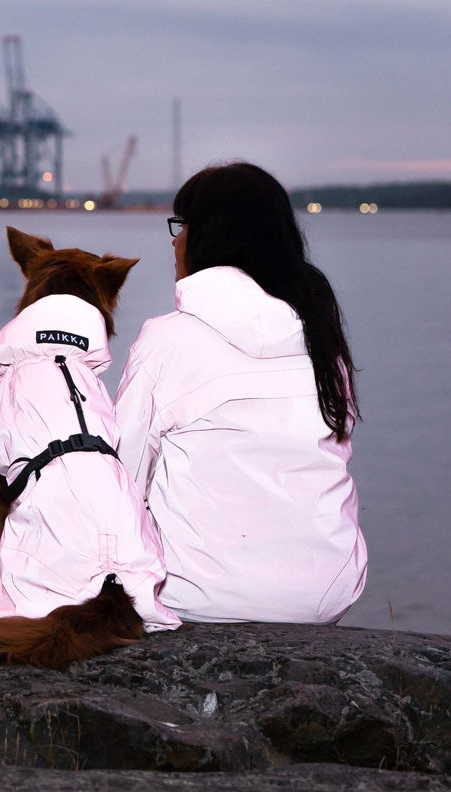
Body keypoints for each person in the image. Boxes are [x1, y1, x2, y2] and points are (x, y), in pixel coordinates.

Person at [115, 162, 367, 624]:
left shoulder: (167, 340)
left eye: (182, 225)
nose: (175, 240)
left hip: (197, 595)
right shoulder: (320, 337)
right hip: (326, 593)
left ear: (209, 235)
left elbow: (121, 474)